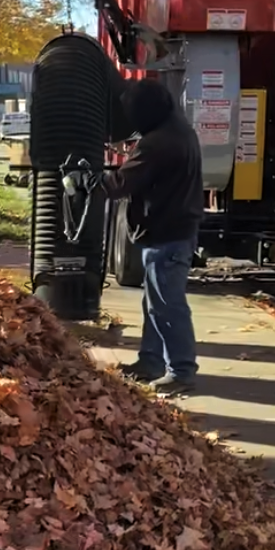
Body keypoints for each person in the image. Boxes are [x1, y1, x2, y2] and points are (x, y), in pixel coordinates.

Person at [104, 79, 204, 395]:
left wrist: (95, 178)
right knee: (156, 302)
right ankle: (151, 361)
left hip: (166, 234)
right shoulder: (182, 132)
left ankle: (181, 370)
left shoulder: (157, 143)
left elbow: (122, 183)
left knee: (167, 305)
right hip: (176, 230)